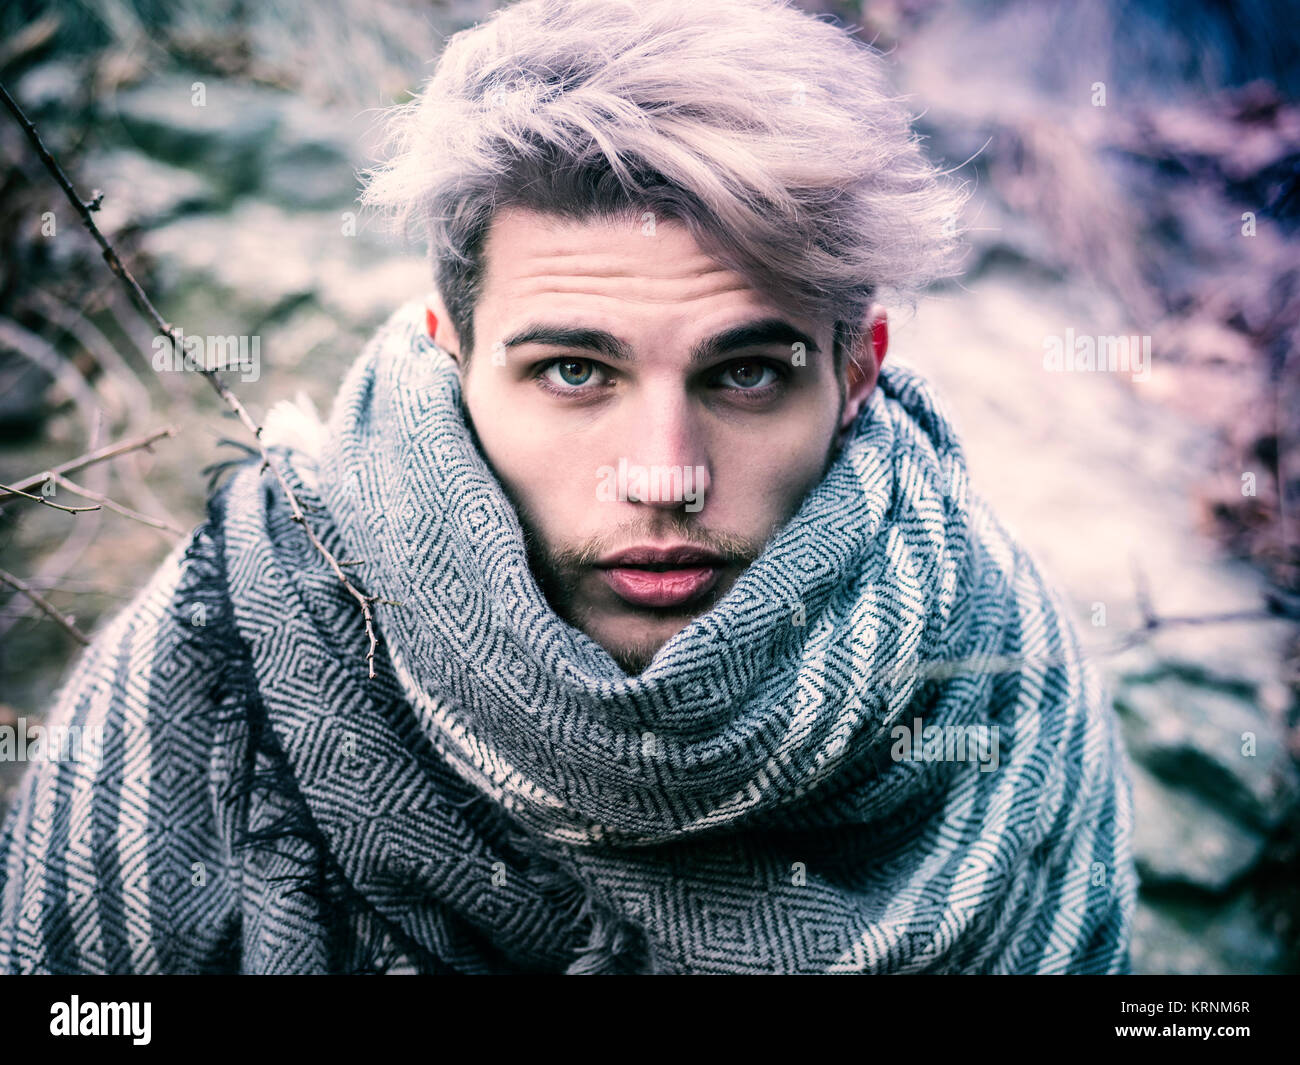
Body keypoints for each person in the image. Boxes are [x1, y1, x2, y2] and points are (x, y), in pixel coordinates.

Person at [0, 0, 1137, 974]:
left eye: (745, 373)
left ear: (855, 371)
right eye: (573, 371)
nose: (664, 476)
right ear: (452, 354)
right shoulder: (229, 652)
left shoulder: (995, 688)